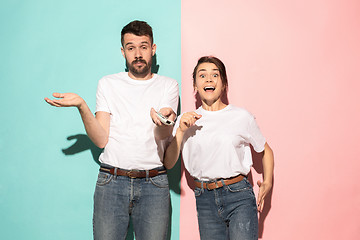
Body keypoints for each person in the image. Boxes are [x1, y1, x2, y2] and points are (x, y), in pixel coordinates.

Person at [45, 20, 179, 240]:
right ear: (123, 51)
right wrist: (82, 106)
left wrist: (163, 119)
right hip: (111, 182)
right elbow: (100, 139)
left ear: (153, 49)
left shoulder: (168, 85)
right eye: (131, 47)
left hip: (154, 184)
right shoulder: (108, 84)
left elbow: (166, 122)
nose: (137, 54)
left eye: (144, 46)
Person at [164, 56, 274, 240]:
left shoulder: (241, 116)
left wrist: (268, 181)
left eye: (215, 75)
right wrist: (181, 131)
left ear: (224, 84)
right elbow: (168, 162)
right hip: (204, 199)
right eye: (202, 75)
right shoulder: (185, 120)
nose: (208, 79)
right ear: (195, 85)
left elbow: (265, 150)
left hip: (238, 195)